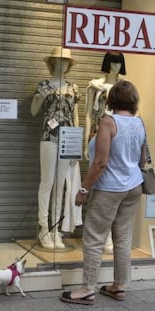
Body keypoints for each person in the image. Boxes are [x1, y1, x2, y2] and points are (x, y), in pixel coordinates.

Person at [60, 80, 146, 305]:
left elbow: (100, 162)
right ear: (133, 100)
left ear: (111, 99)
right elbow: (142, 160)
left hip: (109, 189)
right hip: (133, 187)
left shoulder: (109, 122)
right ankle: (119, 286)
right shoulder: (139, 123)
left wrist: (83, 189)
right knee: (123, 237)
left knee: (95, 238)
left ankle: (87, 289)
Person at [31, 46, 80, 249]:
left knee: (61, 184)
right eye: (59, 60)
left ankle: (55, 229)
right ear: (53, 63)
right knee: (47, 182)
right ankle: (43, 227)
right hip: (49, 136)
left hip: (68, 138)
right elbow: (34, 111)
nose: (63, 64)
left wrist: (77, 146)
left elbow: (76, 116)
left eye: (66, 61)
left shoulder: (73, 88)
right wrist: (41, 96)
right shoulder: (44, 85)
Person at [84, 52, 126, 254]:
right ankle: (99, 236)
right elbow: (89, 114)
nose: (116, 66)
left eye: (119, 62)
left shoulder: (125, 88)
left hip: (116, 138)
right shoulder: (95, 86)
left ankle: (108, 236)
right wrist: (85, 142)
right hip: (96, 136)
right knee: (97, 185)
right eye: (113, 62)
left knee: (112, 186)